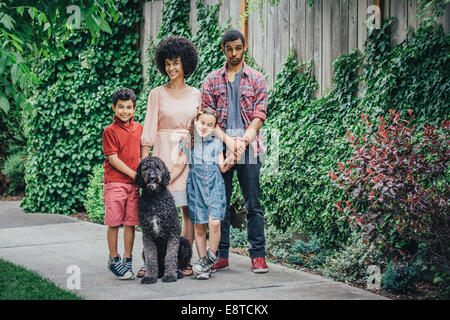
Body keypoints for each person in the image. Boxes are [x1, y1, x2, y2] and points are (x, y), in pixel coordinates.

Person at [201, 30, 269, 273]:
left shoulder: (257, 79)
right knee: (221, 204)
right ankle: (221, 254)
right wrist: (230, 142)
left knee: (253, 204)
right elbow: (206, 120)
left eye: (238, 48)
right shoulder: (210, 80)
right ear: (223, 49)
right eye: (229, 48)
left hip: (249, 149)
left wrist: (241, 143)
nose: (234, 53)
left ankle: (258, 256)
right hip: (220, 150)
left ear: (245, 47)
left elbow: (259, 116)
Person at [140, 36, 200, 277]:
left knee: (187, 210)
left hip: (187, 156)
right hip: (162, 156)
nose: (171, 68)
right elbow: (148, 132)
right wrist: (144, 165)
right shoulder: (157, 93)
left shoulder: (197, 93)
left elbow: (200, 128)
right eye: (167, 63)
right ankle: (152, 262)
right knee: (155, 212)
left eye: (175, 62)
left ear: (185, 63)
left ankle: (183, 261)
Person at [170, 107, 228, 279]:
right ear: (196, 122)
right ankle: (204, 265)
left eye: (209, 125)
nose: (204, 127)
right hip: (196, 187)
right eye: (202, 123)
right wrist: (168, 179)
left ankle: (210, 257)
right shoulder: (188, 142)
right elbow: (180, 163)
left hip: (214, 185)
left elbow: (222, 167)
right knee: (200, 226)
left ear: (214, 127)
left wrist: (230, 161)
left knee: (215, 222)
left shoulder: (217, 143)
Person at [102, 88, 143, 280]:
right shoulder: (109, 131)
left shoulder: (140, 129)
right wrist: (135, 175)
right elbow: (113, 159)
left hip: (134, 186)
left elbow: (144, 154)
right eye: (120, 107)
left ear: (134, 108)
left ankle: (127, 259)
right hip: (116, 183)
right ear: (113, 108)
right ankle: (113, 258)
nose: (125, 111)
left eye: (128, 107)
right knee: (114, 222)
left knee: (131, 223)